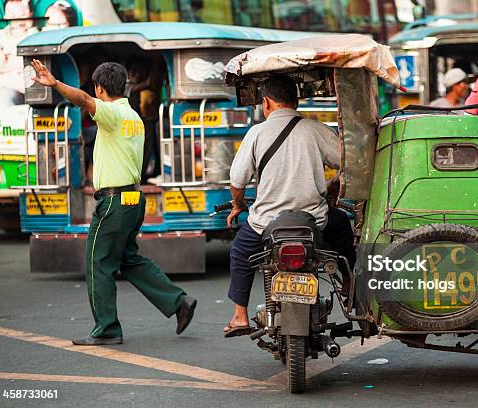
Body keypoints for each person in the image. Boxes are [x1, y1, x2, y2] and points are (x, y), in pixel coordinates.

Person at [30, 59, 197, 345]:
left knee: (98, 263)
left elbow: (83, 100)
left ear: (99, 88)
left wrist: (55, 83)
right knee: (128, 259)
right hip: (133, 198)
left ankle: (107, 328)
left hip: (114, 203)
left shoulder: (111, 114)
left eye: (95, 91)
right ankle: (178, 302)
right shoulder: (133, 115)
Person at [223, 74, 355, 337]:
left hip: (266, 224)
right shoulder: (316, 130)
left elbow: (237, 181)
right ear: (296, 100)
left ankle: (239, 315)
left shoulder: (256, 133)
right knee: (343, 233)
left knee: (240, 253)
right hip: (314, 220)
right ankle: (352, 291)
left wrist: (238, 206)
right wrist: (332, 186)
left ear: (267, 102)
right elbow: (348, 164)